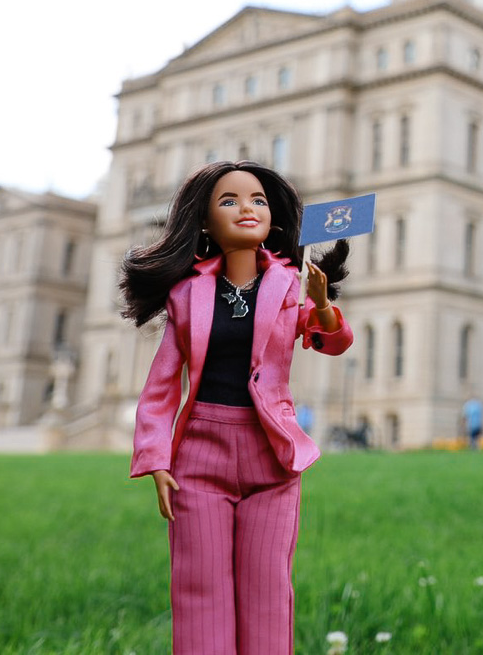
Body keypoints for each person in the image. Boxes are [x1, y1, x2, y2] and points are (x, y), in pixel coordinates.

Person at [121, 160, 353, 655]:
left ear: (274, 218)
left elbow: (331, 341)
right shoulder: (188, 294)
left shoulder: (291, 287)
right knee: (199, 588)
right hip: (200, 459)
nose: (247, 208)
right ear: (204, 222)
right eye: (229, 200)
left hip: (271, 454)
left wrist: (322, 301)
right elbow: (161, 387)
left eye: (258, 200)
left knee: (268, 589)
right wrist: (156, 459)